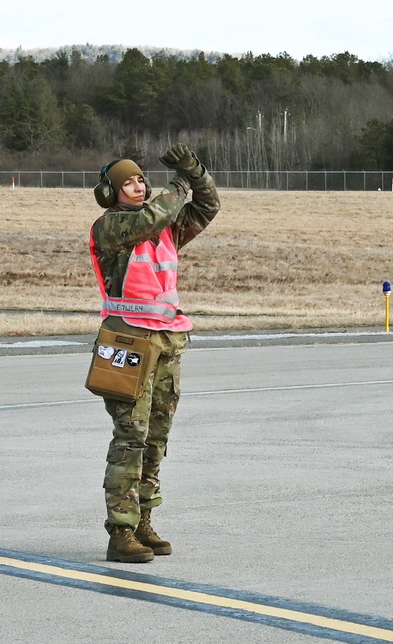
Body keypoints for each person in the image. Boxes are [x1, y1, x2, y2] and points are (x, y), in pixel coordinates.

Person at [88, 144, 220, 563]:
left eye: (141, 179)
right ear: (109, 193)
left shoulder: (165, 228)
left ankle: (144, 519)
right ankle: (121, 532)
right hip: (127, 342)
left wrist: (194, 170)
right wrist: (179, 186)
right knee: (130, 437)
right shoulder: (109, 227)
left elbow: (209, 206)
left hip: (165, 342)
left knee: (156, 440)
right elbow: (154, 216)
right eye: (128, 181)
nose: (138, 185)